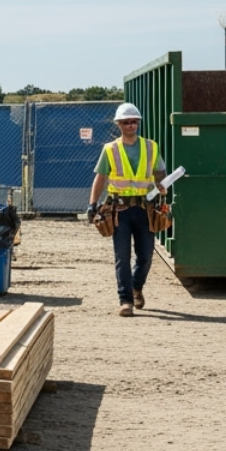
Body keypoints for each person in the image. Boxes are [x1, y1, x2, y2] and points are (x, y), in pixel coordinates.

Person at [87, 102, 166, 316]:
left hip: (144, 208)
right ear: (119, 125)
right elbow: (101, 178)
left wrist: (163, 188)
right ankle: (125, 300)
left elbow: (160, 172)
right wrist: (92, 205)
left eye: (134, 122)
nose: (131, 125)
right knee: (122, 256)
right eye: (126, 122)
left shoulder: (151, 147)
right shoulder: (110, 149)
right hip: (119, 210)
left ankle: (136, 287)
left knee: (146, 256)